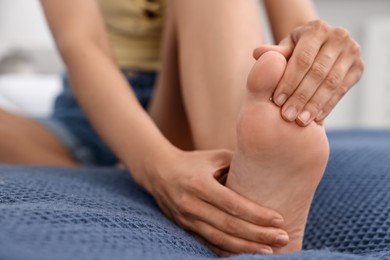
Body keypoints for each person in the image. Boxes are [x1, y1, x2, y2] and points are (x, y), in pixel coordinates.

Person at [0, 0, 363, 256]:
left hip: (187, 105)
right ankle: (235, 185)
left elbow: (297, 24)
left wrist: (320, 53)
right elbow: (81, 43)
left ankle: (248, 190)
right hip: (85, 114)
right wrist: (152, 164)